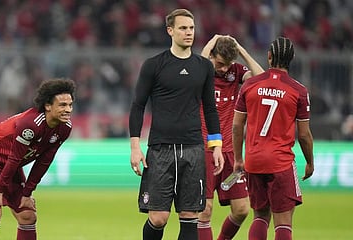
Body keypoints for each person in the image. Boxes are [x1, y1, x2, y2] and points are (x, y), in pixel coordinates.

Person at [129, 9, 224, 240]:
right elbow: (138, 105)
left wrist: (217, 145)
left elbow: (210, 109)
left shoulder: (204, 67)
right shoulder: (154, 65)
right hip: (160, 148)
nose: (188, 32)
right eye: (183, 28)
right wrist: (135, 146)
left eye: (191, 28)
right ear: (170, 31)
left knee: (190, 216)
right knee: (158, 217)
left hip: (193, 148)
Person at [0, 78, 75, 240]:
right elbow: (14, 158)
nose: (68, 110)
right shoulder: (30, 125)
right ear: (47, 106)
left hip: (12, 165)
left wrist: (27, 193)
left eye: (70, 105)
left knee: (28, 216)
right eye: (62, 105)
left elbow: (44, 161)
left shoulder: (64, 128)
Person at [232, 37, 314, 240]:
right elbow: (303, 135)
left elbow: (236, 125)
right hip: (280, 162)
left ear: (269, 57)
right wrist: (310, 162)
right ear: (292, 59)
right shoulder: (299, 91)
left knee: (260, 216)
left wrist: (238, 158)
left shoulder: (250, 84)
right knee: (283, 222)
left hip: (253, 160)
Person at [198, 35, 264, 240]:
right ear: (211, 56)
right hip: (205, 151)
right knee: (205, 210)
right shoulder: (203, 71)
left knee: (242, 209)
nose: (224, 69)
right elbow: (200, 60)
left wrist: (241, 51)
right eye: (220, 63)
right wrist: (213, 40)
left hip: (231, 155)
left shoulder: (235, 72)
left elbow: (261, 77)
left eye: (228, 64)